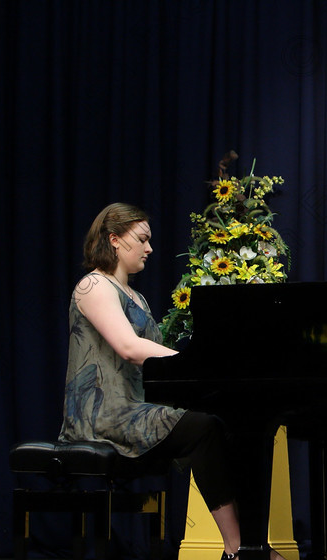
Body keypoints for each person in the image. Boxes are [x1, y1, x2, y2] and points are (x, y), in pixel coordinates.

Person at [58, 202, 243, 559]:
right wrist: (196, 362)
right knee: (203, 428)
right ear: (114, 239)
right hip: (103, 415)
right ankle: (236, 548)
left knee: (225, 427)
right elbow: (129, 348)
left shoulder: (137, 298)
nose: (149, 248)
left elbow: (154, 360)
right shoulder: (93, 285)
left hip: (135, 409)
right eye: (142, 239)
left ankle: (247, 543)